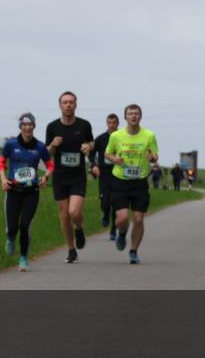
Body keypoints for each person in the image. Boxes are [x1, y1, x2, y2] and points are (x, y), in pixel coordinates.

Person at [0, 113, 54, 272]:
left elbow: (50, 165)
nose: (27, 128)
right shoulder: (11, 144)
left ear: (34, 127)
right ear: (20, 127)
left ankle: (23, 258)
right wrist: (3, 180)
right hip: (13, 190)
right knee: (12, 227)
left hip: (31, 191)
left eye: (30, 125)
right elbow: (1, 162)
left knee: (25, 226)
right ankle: (10, 237)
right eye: (24, 125)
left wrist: (46, 177)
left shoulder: (40, 147)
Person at [105, 103, 159, 265]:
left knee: (138, 218)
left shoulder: (149, 135)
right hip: (120, 181)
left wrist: (152, 158)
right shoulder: (116, 136)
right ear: (125, 117)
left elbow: (155, 155)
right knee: (121, 219)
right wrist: (114, 159)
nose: (133, 116)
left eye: (136, 113)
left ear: (140, 117)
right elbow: (108, 154)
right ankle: (122, 233)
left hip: (140, 181)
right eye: (130, 114)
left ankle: (133, 251)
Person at [45, 91, 95, 263]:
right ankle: (71, 249)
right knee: (64, 215)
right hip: (60, 176)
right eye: (65, 102)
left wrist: (88, 146)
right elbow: (47, 153)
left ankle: (79, 227)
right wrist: (53, 144)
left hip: (77, 176)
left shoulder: (84, 125)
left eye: (71, 102)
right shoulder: (52, 127)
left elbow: (92, 143)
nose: (68, 105)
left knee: (74, 212)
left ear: (76, 105)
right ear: (60, 105)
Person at [89, 113, 120, 241]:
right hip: (104, 175)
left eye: (114, 123)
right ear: (107, 124)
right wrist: (94, 165)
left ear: (118, 124)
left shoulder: (122, 137)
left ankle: (113, 230)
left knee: (116, 204)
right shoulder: (101, 139)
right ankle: (105, 215)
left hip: (118, 175)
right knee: (105, 202)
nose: (112, 125)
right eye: (110, 123)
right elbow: (91, 154)